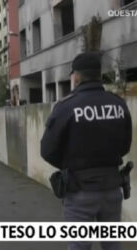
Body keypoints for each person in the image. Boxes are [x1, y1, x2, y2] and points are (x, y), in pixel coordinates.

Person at [41, 52, 132, 250]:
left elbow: (47, 150)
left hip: (80, 190)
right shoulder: (118, 103)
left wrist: (70, 163)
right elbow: (125, 146)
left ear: (76, 77)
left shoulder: (66, 106)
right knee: (112, 244)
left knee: (79, 245)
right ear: (99, 75)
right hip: (112, 188)